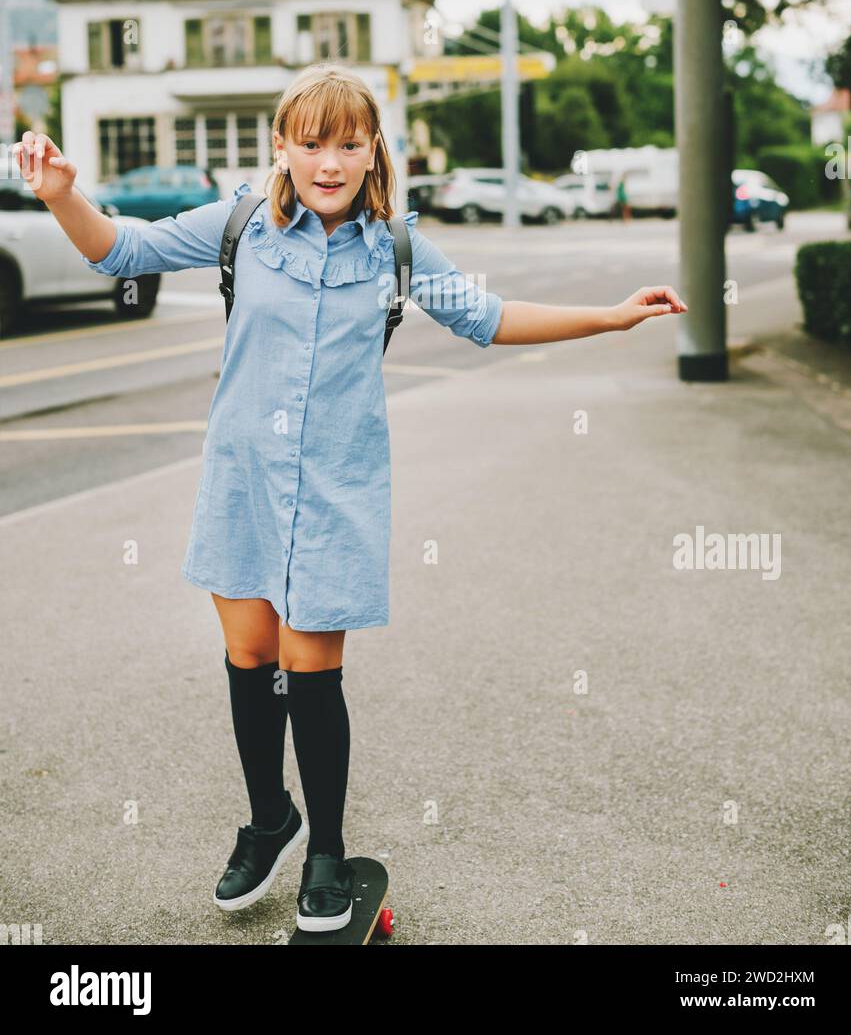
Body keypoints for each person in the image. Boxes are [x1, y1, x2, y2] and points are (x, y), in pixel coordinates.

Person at [12, 63, 686, 933]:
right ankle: (269, 822)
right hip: (243, 479)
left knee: (311, 670)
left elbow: (489, 318)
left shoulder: (398, 248)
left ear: (374, 151)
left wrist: (610, 314)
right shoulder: (242, 226)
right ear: (282, 148)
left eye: (348, 142)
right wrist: (65, 195)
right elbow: (120, 249)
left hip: (335, 491)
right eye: (311, 141)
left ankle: (324, 848)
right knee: (250, 660)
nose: (329, 160)